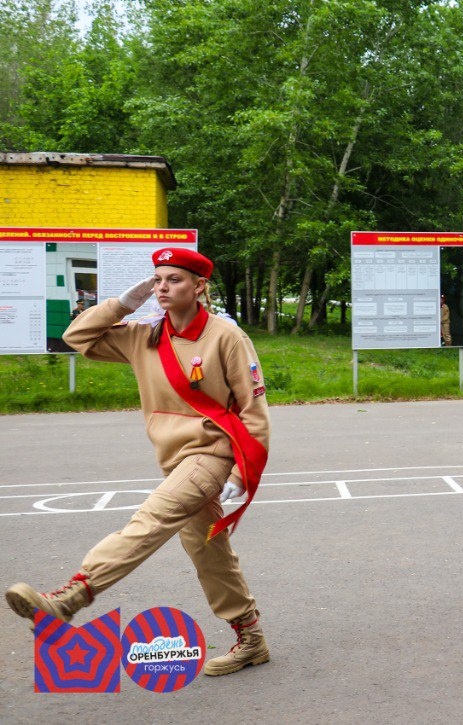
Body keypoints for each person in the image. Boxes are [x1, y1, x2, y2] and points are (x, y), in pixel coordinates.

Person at [5, 247, 271, 677]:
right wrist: (122, 304)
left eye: (175, 279)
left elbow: (254, 410)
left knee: (149, 520)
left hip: (212, 454)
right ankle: (251, 639)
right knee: (208, 550)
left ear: (199, 286)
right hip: (174, 458)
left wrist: (243, 471)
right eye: (158, 280)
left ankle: (70, 597)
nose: (163, 287)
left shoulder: (226, 336)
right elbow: (78, 338)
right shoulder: (143, 334)